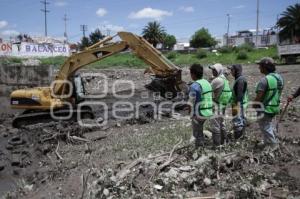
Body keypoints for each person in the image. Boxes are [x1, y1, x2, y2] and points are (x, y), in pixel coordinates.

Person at [254, 57, 284, 147]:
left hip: (266, 108)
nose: (259, 68)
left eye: (260, 66)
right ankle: (268, 142)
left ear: (264, 67)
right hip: (275, 106)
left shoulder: (264, 80)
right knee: (270, 125)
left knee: (265, 127)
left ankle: (273, 146)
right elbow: (279, 93)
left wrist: (253, 106)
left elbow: (259, 97)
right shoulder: (279, 78)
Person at [188, 63, 214, 148]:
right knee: (200, 130)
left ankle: (200, 150)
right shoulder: (207, 83)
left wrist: (191, 114)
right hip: (208, 111)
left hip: (199, 113)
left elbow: (191, 102)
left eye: (191, 73)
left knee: (197, 134)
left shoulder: (194, 86)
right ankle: (203, 146)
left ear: (193, 74)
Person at [208, 63, 232, 145]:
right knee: (222, 123)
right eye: (212, 69)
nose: (213, 71)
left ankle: (217, 145)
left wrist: (210, 80)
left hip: (216, 105)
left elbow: (208, 89)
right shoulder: (225, 79)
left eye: (214, 70)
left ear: (219, 70)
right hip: (223, 104)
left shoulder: (217, 80)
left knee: (215, 125)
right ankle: (224, 142)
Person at [228, 64, 248, 139]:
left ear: (236, 71)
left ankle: (238, 139)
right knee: (239, 121)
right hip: (238, 104)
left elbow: (239, 96)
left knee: (238, 122)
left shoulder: (240, 80)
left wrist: (235, 109)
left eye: (232, 70)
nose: (231, 72)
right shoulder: (239, 79)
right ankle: (241, 137)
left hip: (238, 105)